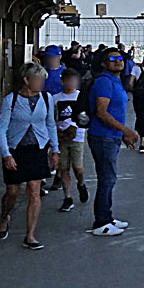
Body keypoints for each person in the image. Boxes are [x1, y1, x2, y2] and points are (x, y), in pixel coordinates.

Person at [0, 62, 60, 249]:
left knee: (34, 189)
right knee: (12, 191)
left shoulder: (46, 98)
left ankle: (30, 235)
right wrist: (6, 154)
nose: (41, 83)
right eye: (38, 80)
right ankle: (4, 215)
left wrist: (55, 150)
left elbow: (49, 125)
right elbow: (1, 129)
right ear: (26, 80)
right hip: (16, 149)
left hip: (37, 148)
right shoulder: (11, 100)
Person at [87, 48, 138, 237]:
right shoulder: (104, 82)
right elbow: (102, 112)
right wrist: (125, 130)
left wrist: (121, 133)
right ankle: (101, 222)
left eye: (121, 58)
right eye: (113, 59)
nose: (118, 61)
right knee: (107, 179)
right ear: (103, 63)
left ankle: (107, 217)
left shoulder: (115, 81)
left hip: (111, 136)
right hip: (103, 136)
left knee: (109, 178)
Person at [53, 69, 90, 212]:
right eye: (68, 80)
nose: (71, 83)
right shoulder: (55, 98)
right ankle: (67, 197)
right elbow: (52, 117)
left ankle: (81, 183)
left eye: (74, 81)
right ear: (63, 81)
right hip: (61, 137)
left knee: (78, 167)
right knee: (63, 169)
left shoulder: (81, 96)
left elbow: (86, 116)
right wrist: (56, 130)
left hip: (77, 136)